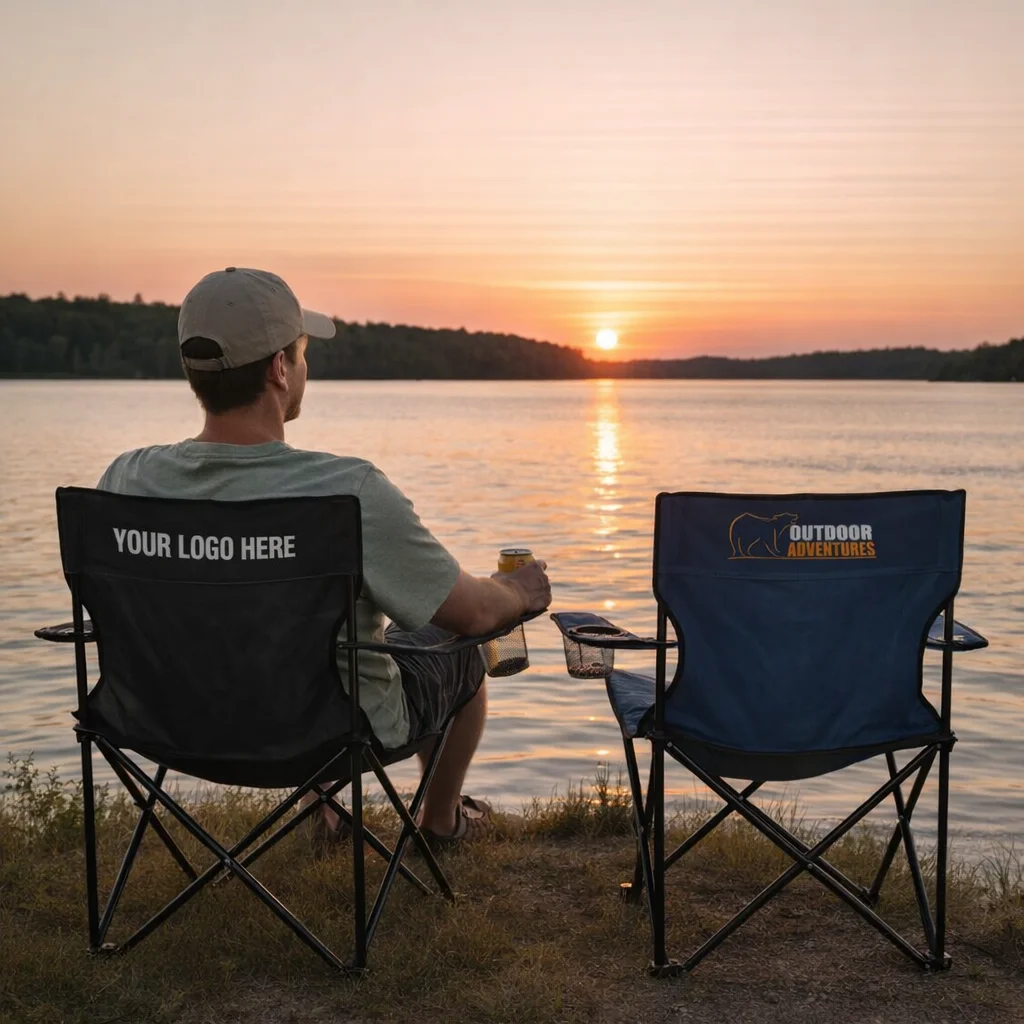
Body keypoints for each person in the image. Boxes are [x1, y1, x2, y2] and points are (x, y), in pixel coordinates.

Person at [96, 267, 552, 849]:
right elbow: (468, 615)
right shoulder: (348, 492)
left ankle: (327, 815)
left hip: (164, 719)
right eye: (302, 352)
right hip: (328, 729)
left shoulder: (126, 481)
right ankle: (440, 823)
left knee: (276, 637)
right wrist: (519, 593)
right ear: (279, 369)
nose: (303, 366)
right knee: (455, 656)